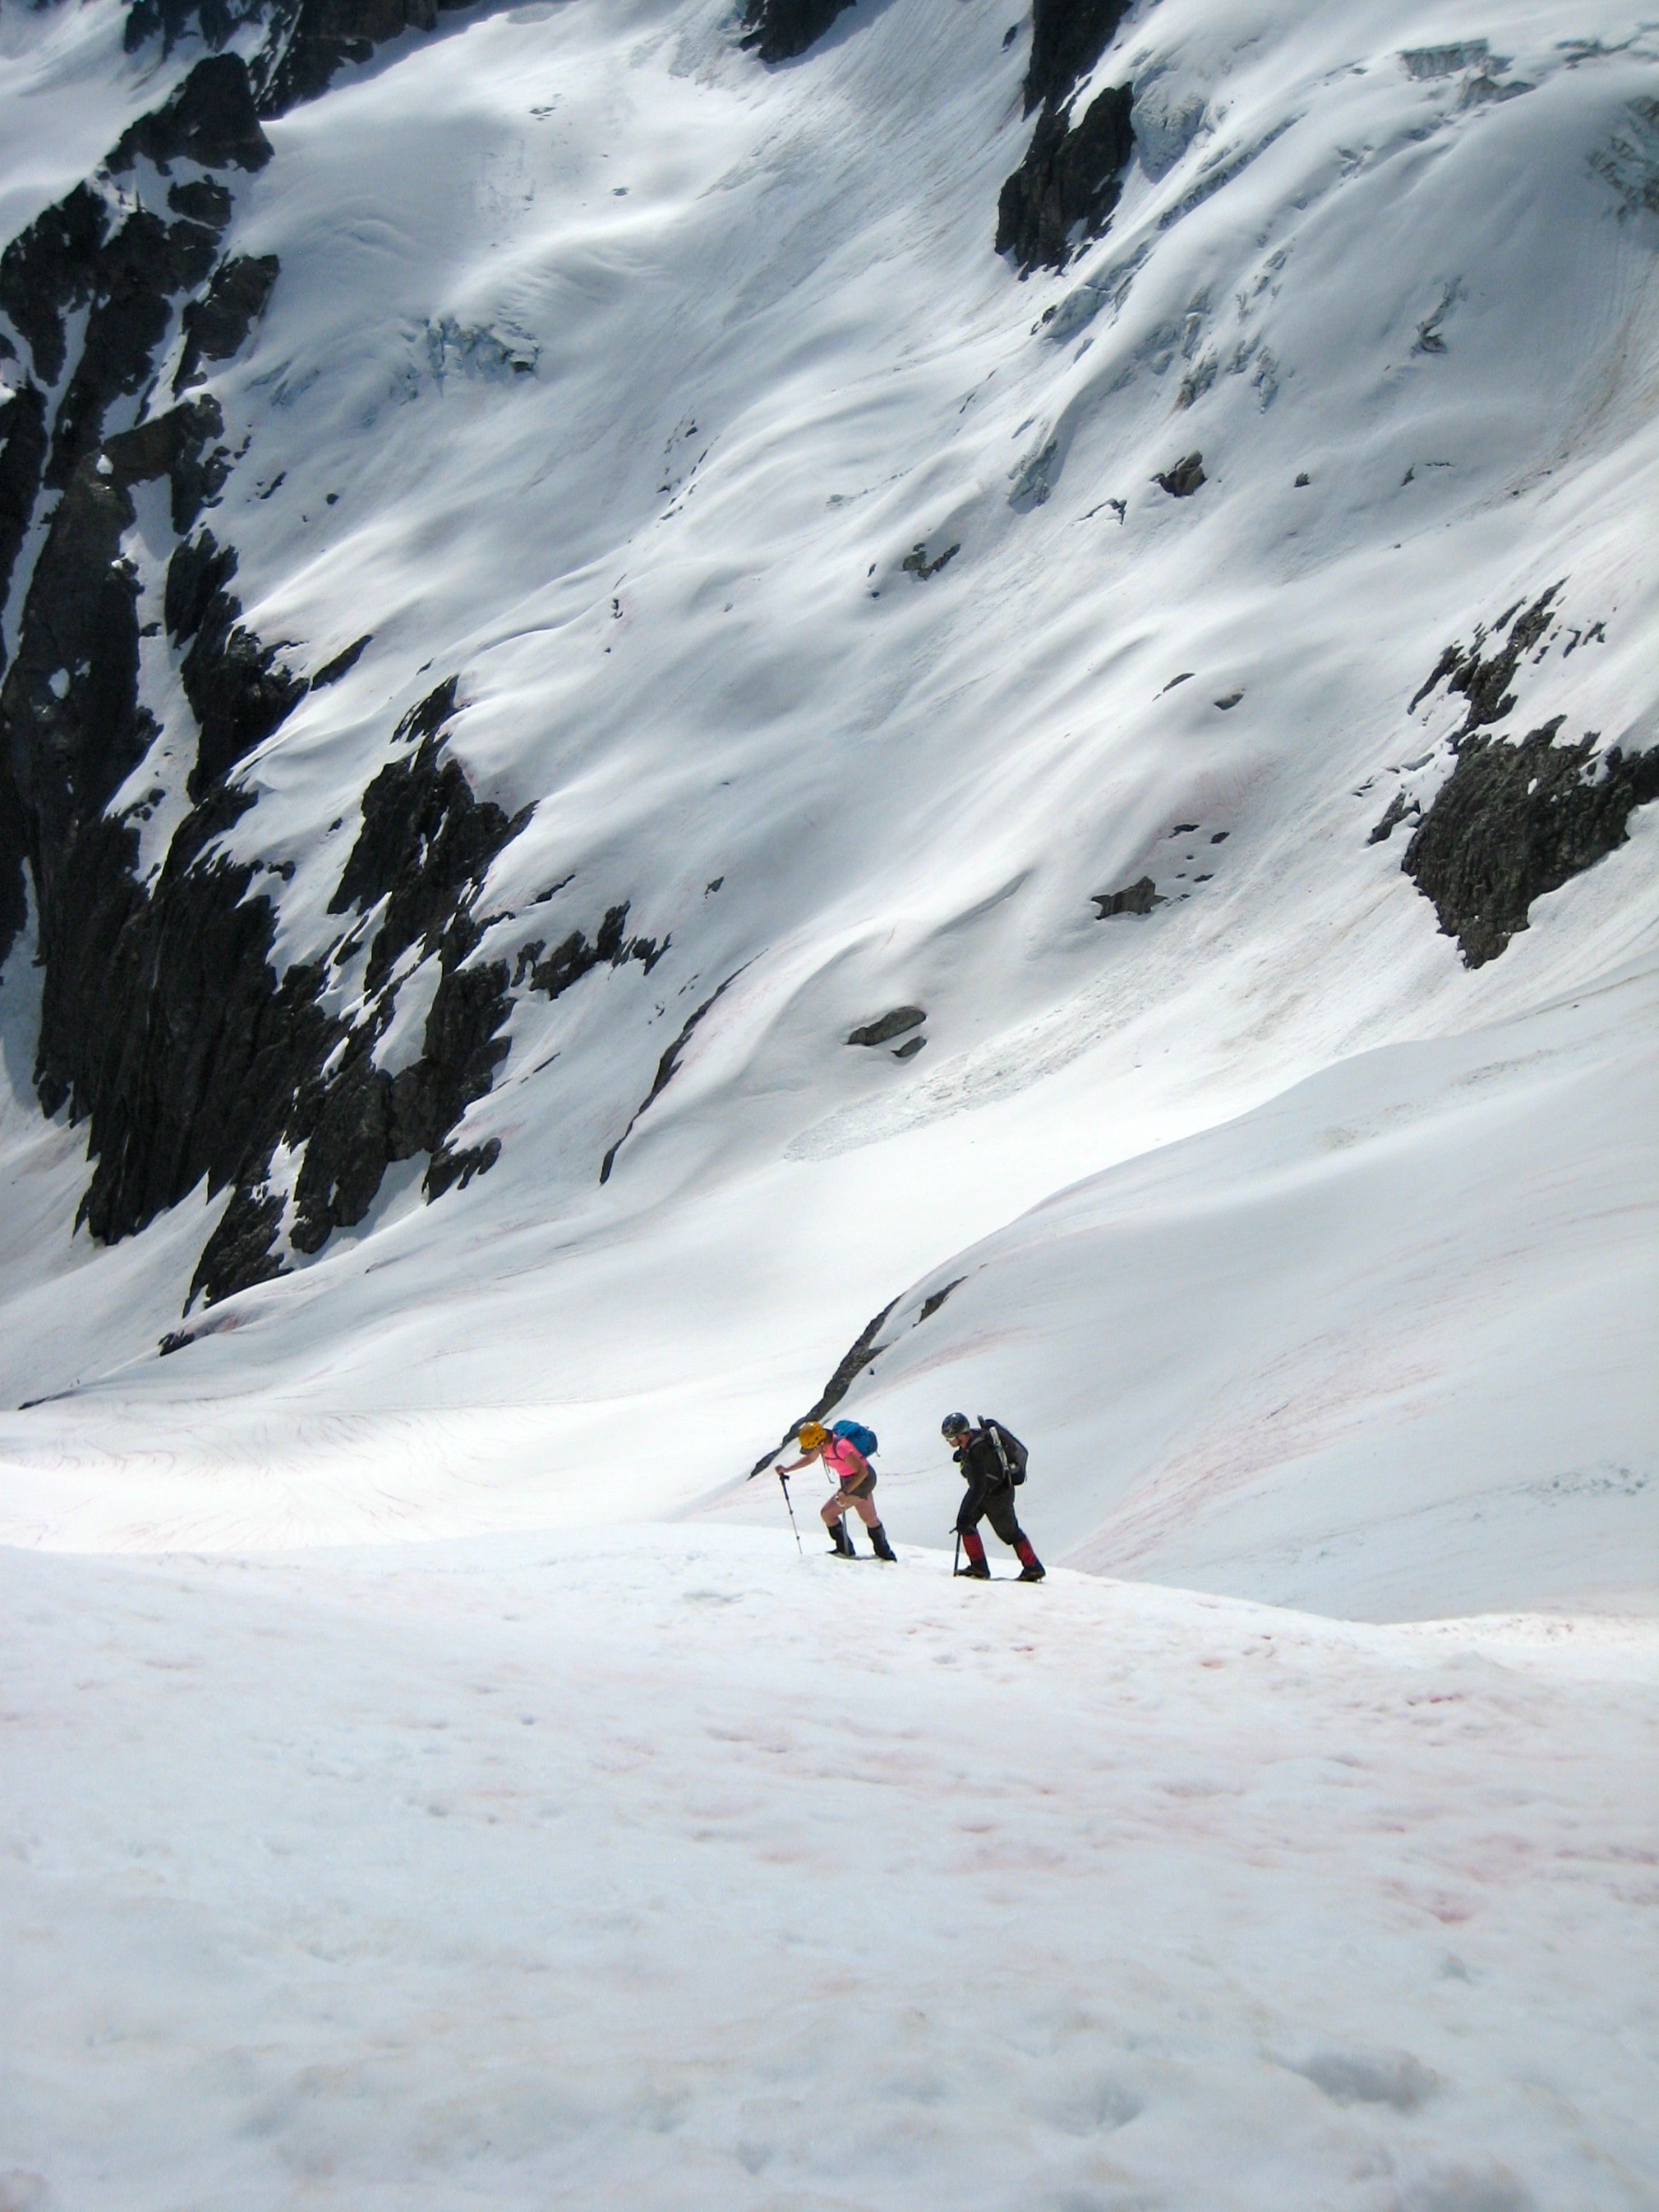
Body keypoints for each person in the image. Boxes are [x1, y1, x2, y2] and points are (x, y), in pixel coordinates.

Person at [942, 1412, 1045, 1581]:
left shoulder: (977, 1450)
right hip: (991, 1492)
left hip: (997, 1496)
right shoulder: (974, 1439)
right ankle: (979, 1567)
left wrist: (965, 1511)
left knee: (1009, 1533)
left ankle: (1033, 1567)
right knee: (966, 1524)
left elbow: (978, 1487)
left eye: (951, 1438)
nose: (949, 1442)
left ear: (961, 1435)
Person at [776, 1420, 897, 1561]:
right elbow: (810, 1459)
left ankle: (845, 1550)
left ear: (820, 1442)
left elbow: (862, 1472)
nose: (813, 1450)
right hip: (852, 1480)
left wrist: (845, 1491)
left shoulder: (841, 1447)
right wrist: (787, 1469)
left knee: (827, 1514)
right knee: (869, 1518)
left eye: (814, 1447)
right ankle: (885, 1554)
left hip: (861, 1480)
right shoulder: (822, 1441)